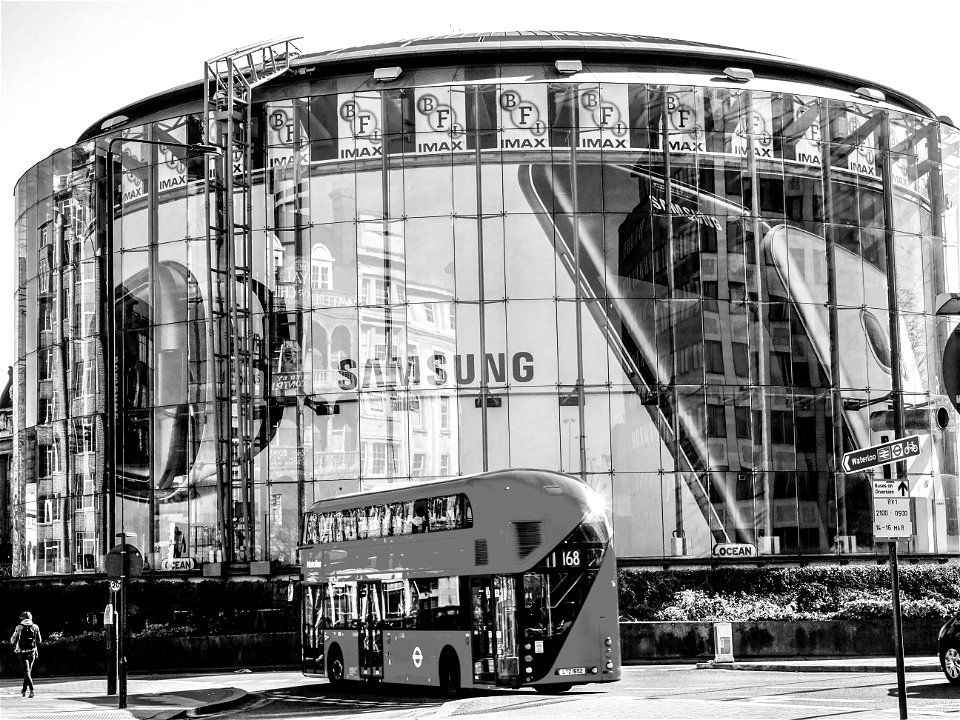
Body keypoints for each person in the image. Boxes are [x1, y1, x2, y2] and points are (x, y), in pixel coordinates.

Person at [10, 610, 42, 697]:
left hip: (22, 652)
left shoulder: (19, 627)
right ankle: (24, 690)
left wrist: (13, 642)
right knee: (28, 672)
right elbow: (39, 641)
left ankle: (32, 690)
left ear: (22, 618)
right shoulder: (35, 627)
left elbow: (13, 640)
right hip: (32, 652)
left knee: (26, 672)